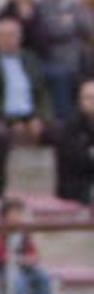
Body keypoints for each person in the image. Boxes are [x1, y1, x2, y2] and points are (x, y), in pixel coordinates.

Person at [0, 17, 51, 197]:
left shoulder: (30, 59)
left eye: (12, 35)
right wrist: (12, 121)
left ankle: (68, 192)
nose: (8, 40)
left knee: (64, 134)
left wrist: (38, 118)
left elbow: (42, 93)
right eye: (3, 36)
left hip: (29, 116)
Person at [55, 77, 94, 205]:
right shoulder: (70, 128)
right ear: (79, 101)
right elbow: (78, 162)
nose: (92, 101)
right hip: (78, 187)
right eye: (88, 98)